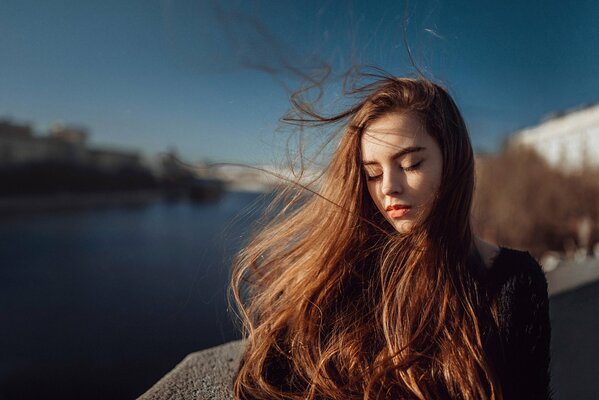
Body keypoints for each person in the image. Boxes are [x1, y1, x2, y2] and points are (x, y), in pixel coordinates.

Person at [139, 75, 551, 399]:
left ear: (453, 159)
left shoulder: (515, 281)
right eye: (372, 173)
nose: (387, 187)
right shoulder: (351, 273)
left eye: (410, 163)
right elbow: (264, 381)